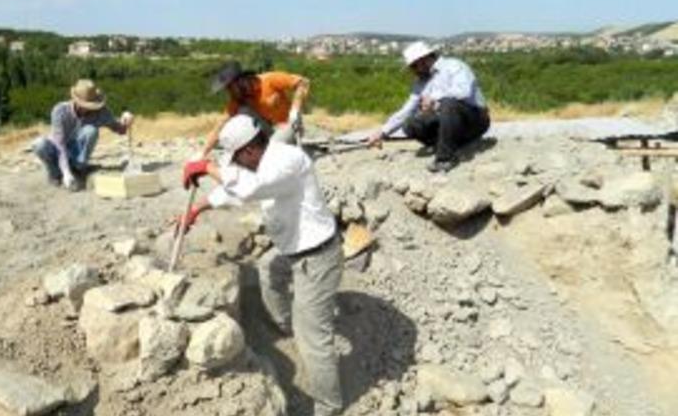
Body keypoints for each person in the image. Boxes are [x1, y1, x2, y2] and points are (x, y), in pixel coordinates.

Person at [179, 114, 344, 416]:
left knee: (314, 340)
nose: (237, 166)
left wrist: (207, 167)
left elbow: (250, 189)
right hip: (292, 251)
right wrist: (197, 209)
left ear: (250, 150)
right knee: (269, 270)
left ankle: (328, 406)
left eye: (238, 160)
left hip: (317, 257)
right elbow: (235, 188)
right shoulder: (261, 162)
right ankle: (288, 326)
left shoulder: (287, 160)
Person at [368, 41, 490, 172]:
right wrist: (383, 132)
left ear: (423, 60)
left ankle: (445, 159)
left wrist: (435, 98)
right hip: (449, 122)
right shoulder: (420, 82)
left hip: (474, 119)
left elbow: (463, 92)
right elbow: (407, 110)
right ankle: (447, 143)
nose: (412, 71)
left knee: (449, 103)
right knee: (410, 124)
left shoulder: (454, 66)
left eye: (414, 66)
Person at [32, 79, 134, 191]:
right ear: (77, 102)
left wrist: (126, 120)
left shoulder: (101, 112)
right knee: (39, 144)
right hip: (57, 151)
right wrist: (66, 173)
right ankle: (55, 173)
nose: (92, 108)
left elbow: (120, 129)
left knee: (91, 131)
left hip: (76, 156)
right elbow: (60, 145)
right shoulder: (60, 111)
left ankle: (78, 169)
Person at [200, 62, 310, 157]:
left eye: (230, 87)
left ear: (241, 81)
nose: (229, 92)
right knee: (243, 111)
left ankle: (273, 146)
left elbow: (303, 82)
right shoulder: (237, 100)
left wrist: (295, 110)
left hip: (289, 124)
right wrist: (202, 154)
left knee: (271, 154)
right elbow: (220, 125)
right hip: (266, 130)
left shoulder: (269, 79)